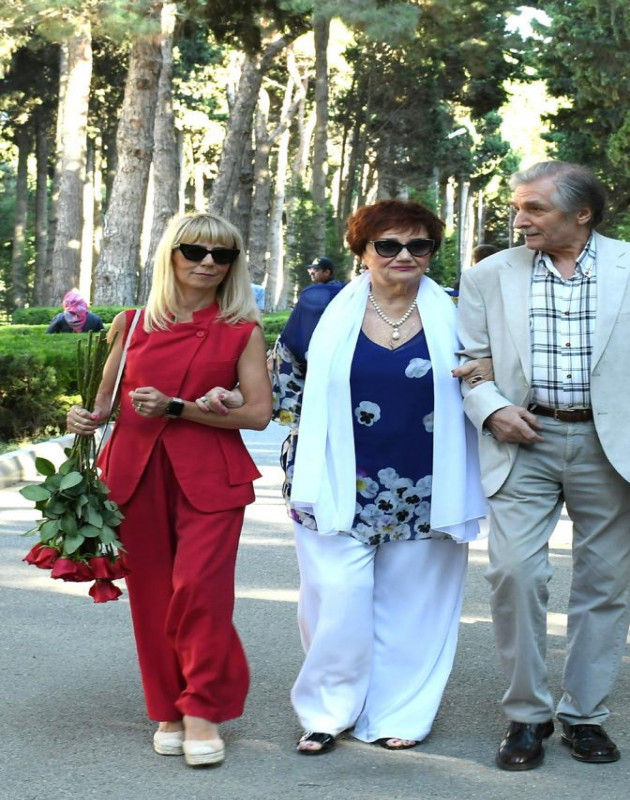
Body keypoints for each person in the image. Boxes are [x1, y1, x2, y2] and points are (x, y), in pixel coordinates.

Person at [457, 160, 630, 771]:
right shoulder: (489, 275)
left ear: (582, 215)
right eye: (517, 207)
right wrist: (491, 408)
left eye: (534, 210)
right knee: (515, 575)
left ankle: (584, 715)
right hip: (522, 440)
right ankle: (526, 715)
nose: (519, 220)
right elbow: (467, 358)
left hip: (615, 446)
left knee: (606, 586)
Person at [270, 199, 489, 756]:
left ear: (433, 252)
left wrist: (489, 376)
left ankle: (401, 710)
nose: (403, 255)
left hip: (429, 483)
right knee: (336, 599)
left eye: (419, 245)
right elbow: (285, 388)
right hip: (336, 481)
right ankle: (326, 711)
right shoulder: (319, 309)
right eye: (387, 245)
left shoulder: (463, 313)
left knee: (416, 607)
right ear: (363, 251)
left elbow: (490, 386)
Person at [66, 212, 271, 767]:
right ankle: (168, 709)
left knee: (200, 591)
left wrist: (181, 408)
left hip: (210, 475)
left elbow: (258, 414)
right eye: (194, 250)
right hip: (133, 474)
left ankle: (203, 708)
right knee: (155, 598)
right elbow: (105, 403)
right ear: (171, 255)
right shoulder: (132, 324)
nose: (207, 262)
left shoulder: (242, 330)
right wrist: (82, 417)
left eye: (221, 255)